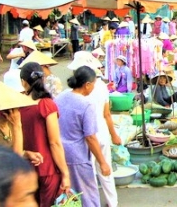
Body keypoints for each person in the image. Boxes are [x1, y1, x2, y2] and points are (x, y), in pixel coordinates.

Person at [67, 52, 121, 207]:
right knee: (106, 169)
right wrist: (114, 135)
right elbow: (107, 114)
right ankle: (113, 202)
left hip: (86, 137)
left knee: (89, 174)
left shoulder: (75, 92)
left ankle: (92, 203)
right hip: (102, 133)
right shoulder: (102, 86)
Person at [55, 66, 111, 207]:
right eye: (93, 84)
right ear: (87, 85)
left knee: (68, 194)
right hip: (77, 156)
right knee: (88, 196)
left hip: (59, 153)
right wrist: (103, 162)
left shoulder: (61, 96)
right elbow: (90, 137)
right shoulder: (86, 104)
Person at [19, 62, 71, 206]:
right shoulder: (47, 104)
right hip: (47, 168)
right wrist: (65, 173)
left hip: (23, 169)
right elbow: (54, 142)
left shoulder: (15, 105)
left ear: (23, 82)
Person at [0, 82, 44, 165]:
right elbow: (16, 159)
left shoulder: (10, 125)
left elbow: (14, 151)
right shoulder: (12, 126)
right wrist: (17, 126)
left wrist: (26, 154)